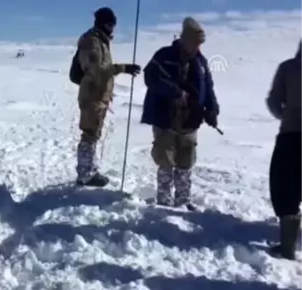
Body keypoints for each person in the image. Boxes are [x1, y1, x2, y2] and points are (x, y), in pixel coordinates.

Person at [140, 17, 219, 210]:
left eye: (201, 43)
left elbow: (208, 87)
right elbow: (150, 77)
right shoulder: (164, 55)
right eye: (196, 42)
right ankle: (164, 201)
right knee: (165, 160)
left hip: (190, 120)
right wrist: (175, 93)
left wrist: (213, 109)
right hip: (165, 118)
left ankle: (183, 200)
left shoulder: (201, 62)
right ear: (185, 39)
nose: (198, 46)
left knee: (186, 161)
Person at [74, 7, 141, 187]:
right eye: (110, 24)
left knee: (93, 134)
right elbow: (97, 71)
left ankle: (90, 170)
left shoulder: (100, 41)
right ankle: (85, 175)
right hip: (92, 95)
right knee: (89, 134)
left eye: (114, 25)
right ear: (102, 23)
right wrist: (122, 68)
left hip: (98, 95)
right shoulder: (92, 41)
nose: (112, 28)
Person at [265, 39, 302, 260]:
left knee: (285, 187)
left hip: (291, 136)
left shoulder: (288, 68)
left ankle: (287, 247)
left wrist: (285, 116)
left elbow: (273, 101)